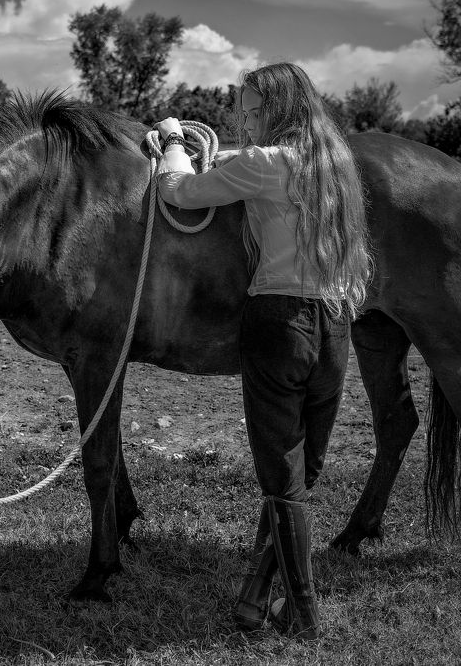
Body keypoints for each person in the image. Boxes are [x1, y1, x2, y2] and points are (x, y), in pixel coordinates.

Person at [153, 62, 371, 639]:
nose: (245, 121)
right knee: (305, 469)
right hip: (335, 324)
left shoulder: (266, 164)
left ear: (277, 109)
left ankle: (302, 613)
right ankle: (262, 597)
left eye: (253, 112)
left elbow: (178, 189)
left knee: (281, 479)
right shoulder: (337, 163)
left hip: (278, 323)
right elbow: (240, 170)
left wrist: (174, 137)